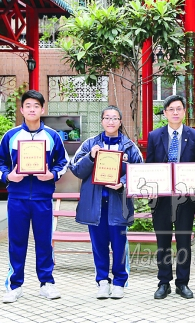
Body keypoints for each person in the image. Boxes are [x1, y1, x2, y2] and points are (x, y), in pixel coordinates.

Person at [0, 90, 69, 303]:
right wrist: (9, 176)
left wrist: (52, 174)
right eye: (28, 105)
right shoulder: (11, 135)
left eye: (36, 106)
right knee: (16, 242)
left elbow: (63, 162)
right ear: (22, 109)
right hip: (17, 198)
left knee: (44, 242)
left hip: (42, 198)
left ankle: (46, 283)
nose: (32, 109)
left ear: (42, 109)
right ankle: (14, 286)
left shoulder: (52, 136)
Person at [69, 106, 142, 300]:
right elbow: (75, 169)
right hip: (96, 204)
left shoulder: (129, 146)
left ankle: (119, 282)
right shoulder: (89, 144)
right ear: (102, 121)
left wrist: (123, 183)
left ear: (120, 122)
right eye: (107, 118)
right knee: (99, 245)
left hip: (118, 203)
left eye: (115, 118)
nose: (111, 121)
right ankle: (102, 281)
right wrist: (91, 157)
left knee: (119, 245)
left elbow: (140, 172)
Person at [146, 94, 195, 300]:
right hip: (161, 198)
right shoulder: (155, 136)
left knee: (183, 242)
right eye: (171, 109)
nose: (175, 112)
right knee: (162, 241)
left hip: (185, 199)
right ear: (165, 113)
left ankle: (182, 283)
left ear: (184, 111)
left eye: (179, 108)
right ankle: (164, 283)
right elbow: (149, 166)